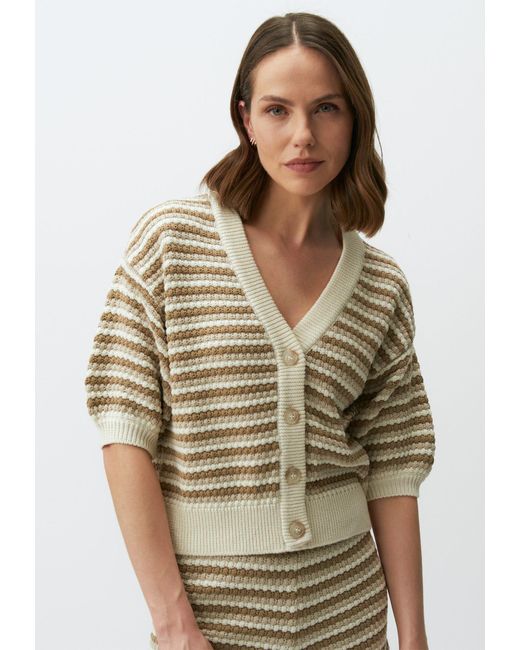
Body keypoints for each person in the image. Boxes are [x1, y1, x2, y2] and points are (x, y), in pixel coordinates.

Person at [84, 12, 436, 650]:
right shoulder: (170, 244)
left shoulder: (381, 285)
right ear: (245, 118)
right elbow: (124, 430)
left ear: (355, 118)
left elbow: (393, 463)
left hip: (348, 617)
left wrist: (412, 634)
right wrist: (173, 624)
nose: (304, 135)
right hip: (210, 624)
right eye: (278, 110)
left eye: (326, 108)